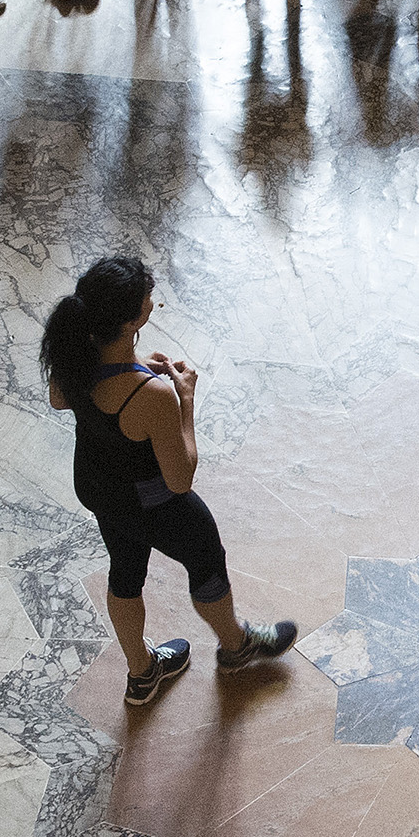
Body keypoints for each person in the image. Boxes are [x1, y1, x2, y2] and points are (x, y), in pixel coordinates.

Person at [40, 254, 298, 707]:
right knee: (206, 560)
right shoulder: (153, 396)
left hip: (102, 493)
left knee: (125, 572)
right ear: (133, 318)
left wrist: (135, 364)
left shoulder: (74, 355)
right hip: (154, 503)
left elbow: (62, 400)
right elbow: (179, 478)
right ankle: (237, 647)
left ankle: (141, 673)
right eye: (148, 299)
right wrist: (184, 401)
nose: (153, 303)